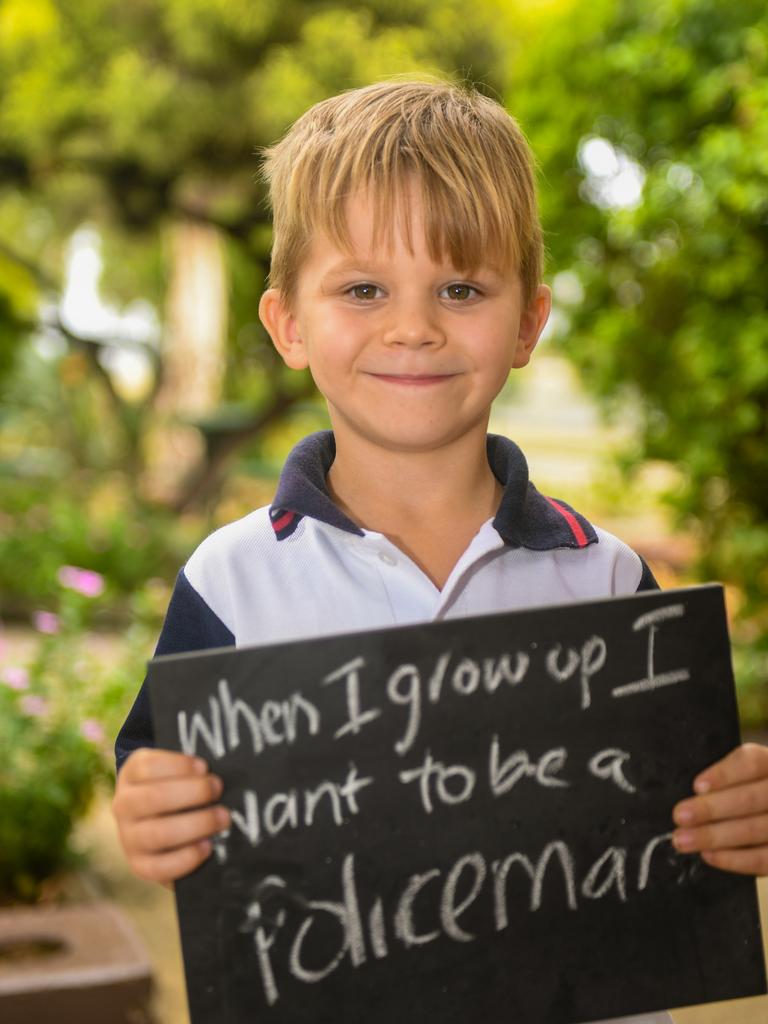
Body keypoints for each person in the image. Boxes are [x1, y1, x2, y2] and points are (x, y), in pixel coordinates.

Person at [112, 79, 768, 1024]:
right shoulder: (231, 580)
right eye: (363, 288)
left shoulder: (608, 577)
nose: (413, 327)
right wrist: (148, 810)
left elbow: (689, 810)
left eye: (461, 288)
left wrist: (740, 807)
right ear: (288, 323)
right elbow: (156, 782)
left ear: (529, 324)